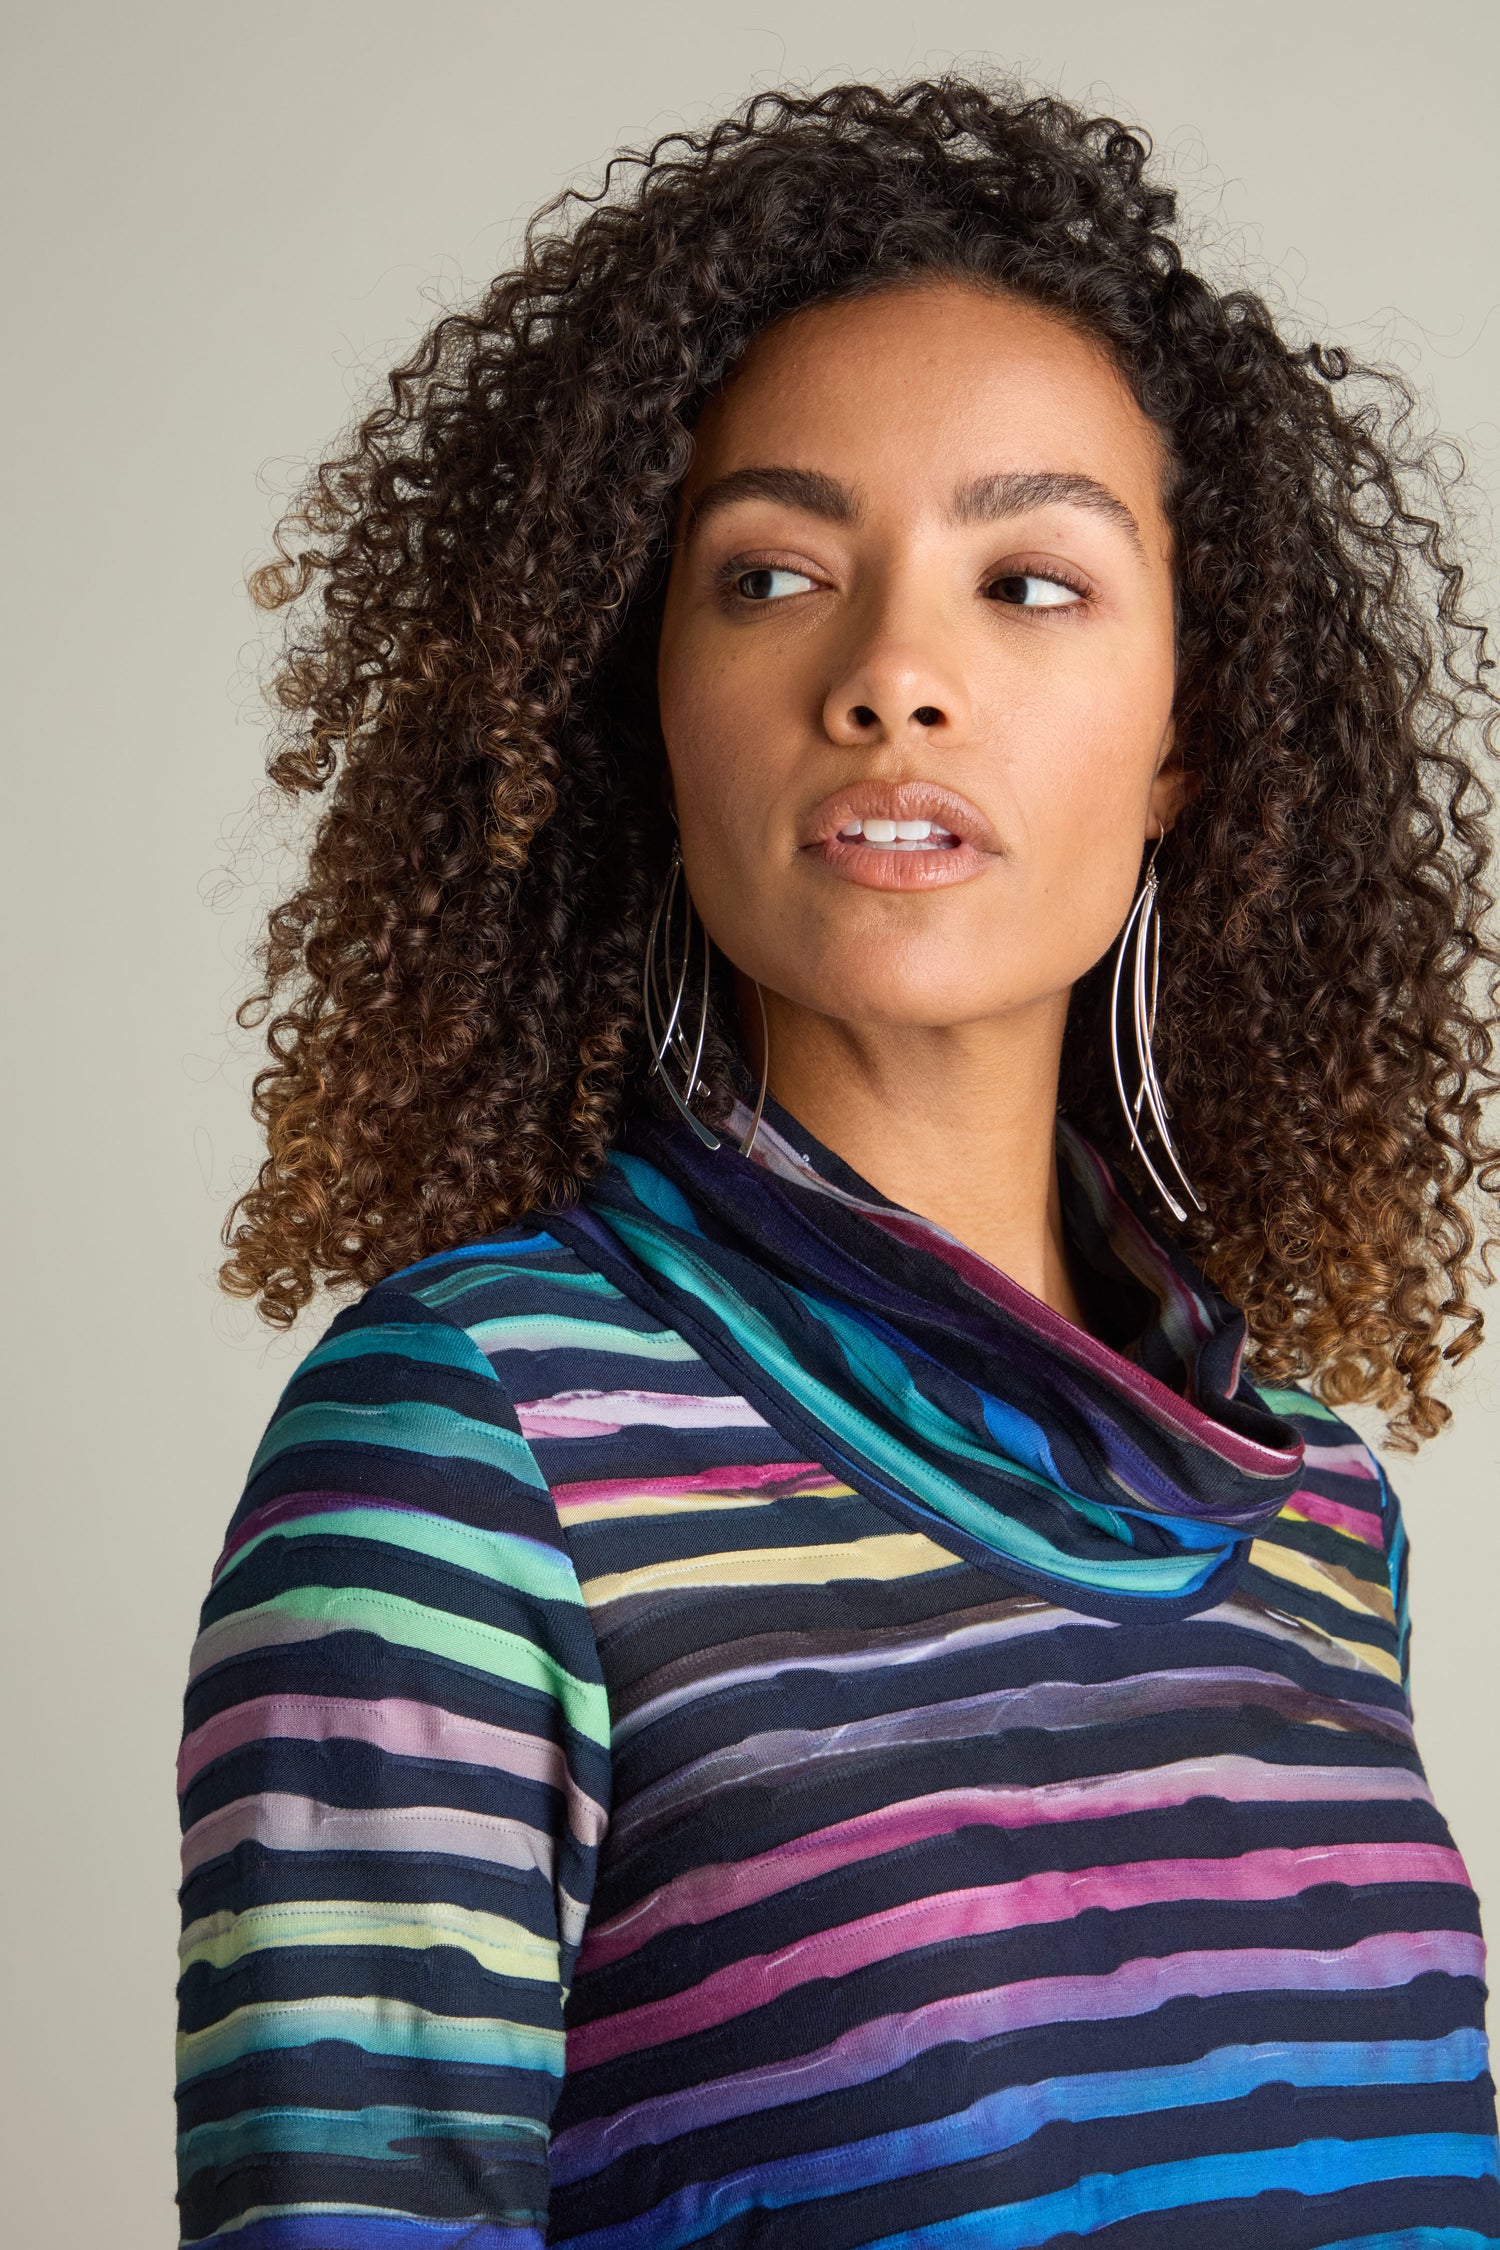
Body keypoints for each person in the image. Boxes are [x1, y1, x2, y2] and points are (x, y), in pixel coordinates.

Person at [176, 78, 1500, 2249]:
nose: (892, 677)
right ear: (649, 705)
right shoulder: (474, 1446)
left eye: (1031, 581)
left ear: (1192, 736)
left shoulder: (1311, 1518)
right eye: (774, 575)